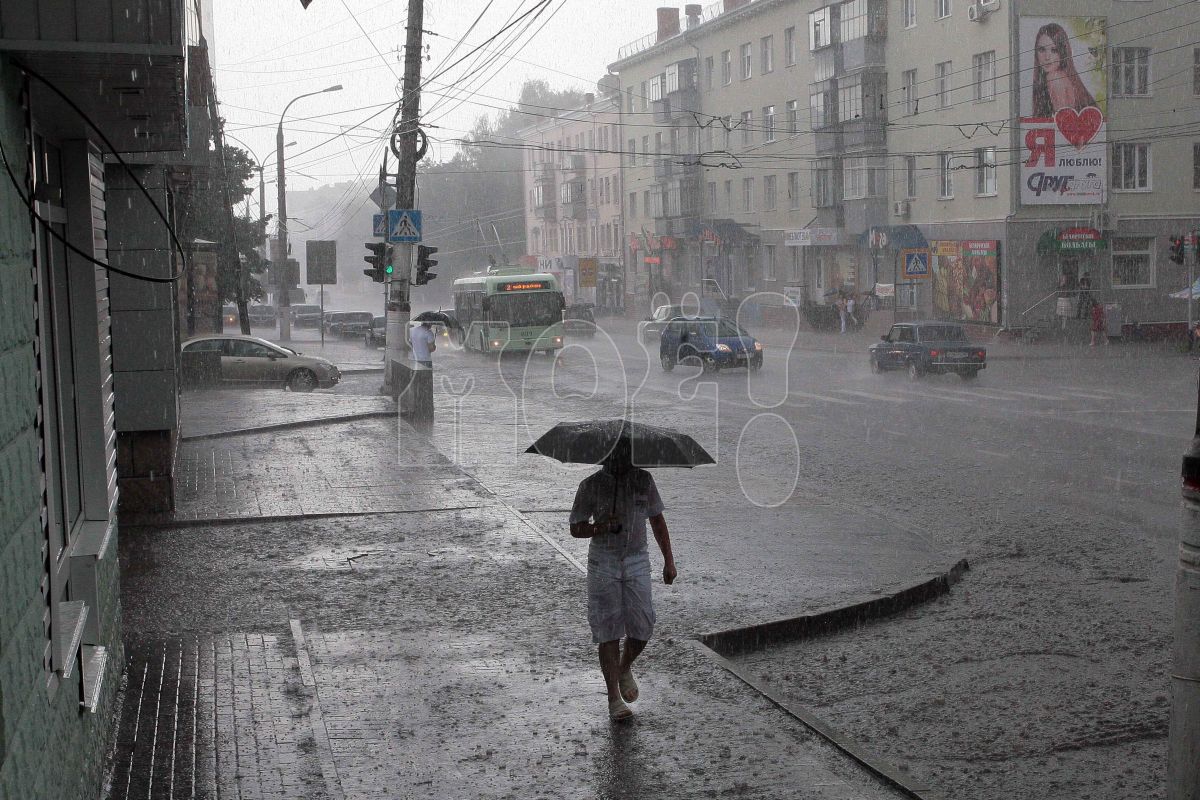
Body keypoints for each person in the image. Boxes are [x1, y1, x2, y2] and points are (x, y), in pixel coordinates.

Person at [569, 441, 676, 722]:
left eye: (626, 454)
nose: (622, 460)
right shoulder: (590, 485)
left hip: (636, 559)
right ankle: (613, 697)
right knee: (608, 630)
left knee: (643, 625)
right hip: (603, 560)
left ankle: (624, 665)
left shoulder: (643, 480)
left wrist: (669, 560)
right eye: (617, 454)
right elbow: (575, 527)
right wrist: (601, 526)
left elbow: (657, 521)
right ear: (606, 455)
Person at [1032, 22, 1097, 118]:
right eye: (1042, 50)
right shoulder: (1065, 77)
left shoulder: (1055, 78)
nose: (1047, 57)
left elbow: (1063, 124)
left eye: (1054, 50)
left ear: (1062, 52)